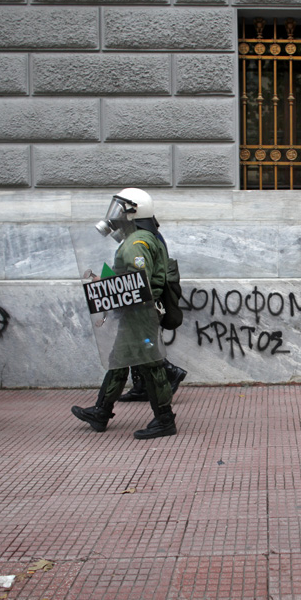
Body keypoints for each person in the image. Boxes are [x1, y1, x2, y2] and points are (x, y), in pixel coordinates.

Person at [71, 188, 179, 440]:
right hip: (136, 313)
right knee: (118, 360)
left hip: (139, 313)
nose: (116, 214)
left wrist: (106, 285)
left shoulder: (136, 243)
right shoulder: (143, 238)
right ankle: (101, 411)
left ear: (134, 212)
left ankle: (164, 420)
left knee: (152, 366)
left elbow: (137, 283)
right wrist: (107, 282)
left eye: (121, 208)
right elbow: (132, 280)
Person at [118, 219, 187, 402]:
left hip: (145, 305)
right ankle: (142, 387)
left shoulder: (143, 240)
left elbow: (142, 276)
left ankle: (169, 373)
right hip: (148, 302)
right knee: (139, 347)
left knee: (146, 348)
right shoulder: (151, 236)